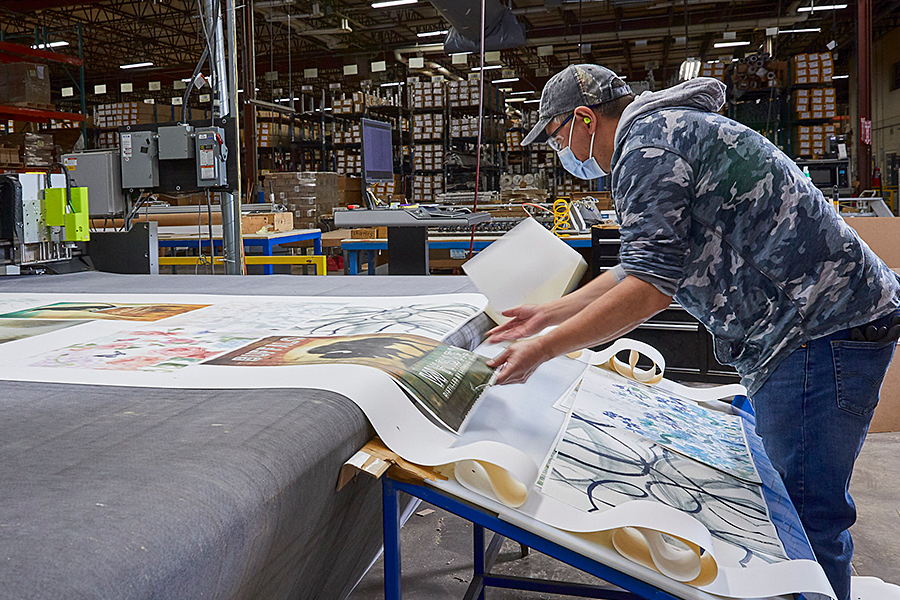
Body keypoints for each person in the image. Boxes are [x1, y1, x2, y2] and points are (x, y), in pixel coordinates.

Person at [485, 64, 900, 600]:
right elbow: (635, 265)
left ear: (585, 119)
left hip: (818, 329)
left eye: (559, 134)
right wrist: (551, 315)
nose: (562, 149)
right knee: (798, 511)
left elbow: (649, 288)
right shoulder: (663, 133)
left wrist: (541, 349)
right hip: (814, 325)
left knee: (804, 519)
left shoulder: (648, 150)